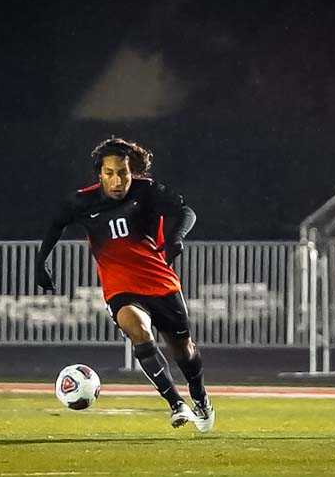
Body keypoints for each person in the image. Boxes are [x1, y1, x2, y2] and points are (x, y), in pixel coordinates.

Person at [35, 138, 214, 432]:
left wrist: (176, 237)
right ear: (99, 174)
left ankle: (200, 398)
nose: (117, 180)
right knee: (138, 330)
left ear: (133, 172)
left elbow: (186, 212)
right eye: (110, 173)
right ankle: (176, 404)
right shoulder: (82, 201)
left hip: (161, 284)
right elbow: (56, 222)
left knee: (184, 351)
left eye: (123, 173)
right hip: (121, 288)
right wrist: (41, 261)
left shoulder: (148, 192)